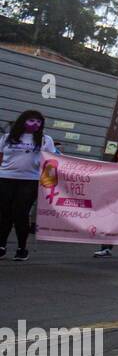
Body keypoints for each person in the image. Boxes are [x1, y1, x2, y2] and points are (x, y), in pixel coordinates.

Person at [0, 109, 57, 261]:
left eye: (38, 121)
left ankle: (21, 248)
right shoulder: (8, 137)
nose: (35, 124)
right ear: (23, 121)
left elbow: (52, 160)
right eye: (31, 120)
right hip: (5, 178)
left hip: (29, 181)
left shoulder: (45, 140)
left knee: (20, 213)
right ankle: (1, 246)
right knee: (4, 214)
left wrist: (49, 181)